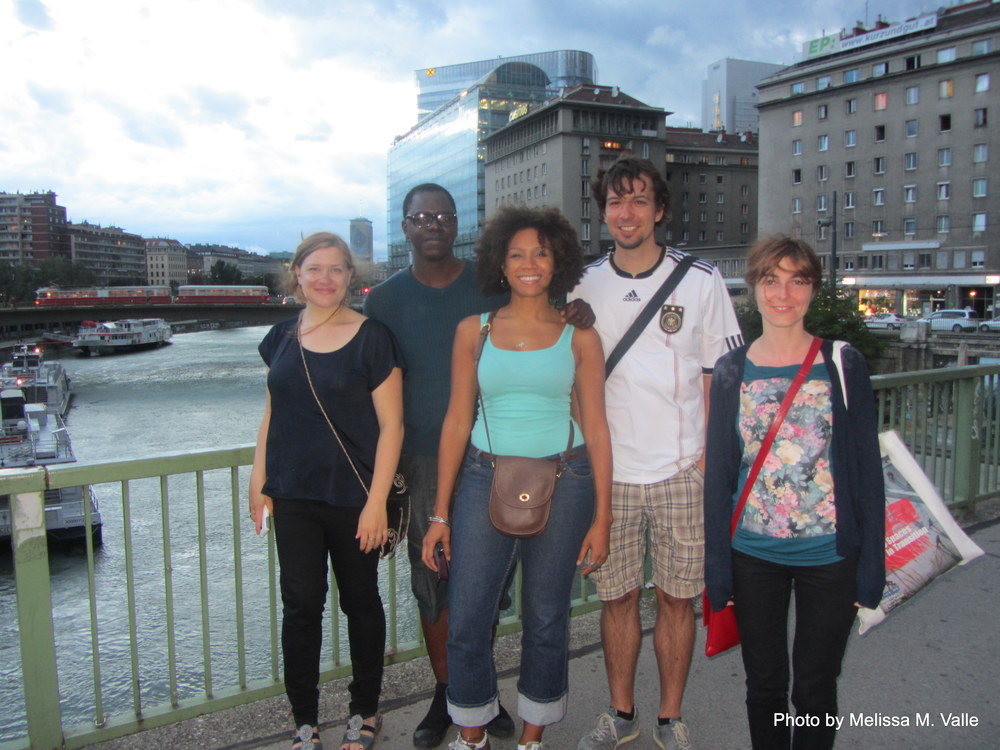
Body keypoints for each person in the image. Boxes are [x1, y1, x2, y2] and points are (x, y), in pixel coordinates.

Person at [363, 184, 592, 748]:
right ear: (405, 225)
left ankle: (505, 717)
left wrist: (571, 311)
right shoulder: (393, 301)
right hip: (441, 463)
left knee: (524, 606)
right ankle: (458, 709)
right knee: (448, 596)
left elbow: (590, 412)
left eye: (443, 215)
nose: (432, 224)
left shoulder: (530, 306)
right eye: (420, 216)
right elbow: (372, 378)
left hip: (535, 465)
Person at [422, 205, 613, 750]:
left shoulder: (580, 337)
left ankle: (532, 738)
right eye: (517, 254)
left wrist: (603, 516)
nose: (530, 263)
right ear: (499, 264)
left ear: (558, 263)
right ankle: (473, 734)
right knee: (467, 617)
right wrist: (440, 514)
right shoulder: (473, 331)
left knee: (547, 616)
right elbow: (457, 421)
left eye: (541, 253)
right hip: (484, 478)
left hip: (567, 477)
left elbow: (597, 429)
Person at [570, 155, 742, 750]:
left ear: (660, 210)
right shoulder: (582, 283)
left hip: (680, 471)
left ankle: (670, 718)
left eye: (640, 200)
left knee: (677, 599)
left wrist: (706, 462)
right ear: (603, 211)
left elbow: (719, 376)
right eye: (616, 201)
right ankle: (622, 713)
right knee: (615, 600)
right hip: (609, 476)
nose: (627, 213)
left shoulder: (701, 280)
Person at [703, 236, 885, 750]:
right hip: (753, 555)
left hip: (830, 555)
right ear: (754, 288)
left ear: (812, 289)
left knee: (815, 687)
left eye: (797, 280)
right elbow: (719, 477)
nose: (784, 293)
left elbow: (867, 473)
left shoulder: (841, 363)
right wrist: (718, 569)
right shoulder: (731, 370)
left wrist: (871, 566)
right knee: (764, 687)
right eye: (771, 280)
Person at [250, 232, 404, 750]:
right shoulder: (280, 338)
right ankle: (305, 721)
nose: (324, 278)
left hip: (354, 498)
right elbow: (274, 411)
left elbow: (393, 427)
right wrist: (259, 482)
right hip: (293, 496)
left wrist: (378, 501)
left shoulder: (372, 337)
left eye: (336, 269)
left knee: (360, 601)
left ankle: (364, 711)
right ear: (297, 274)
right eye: (314, 268)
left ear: (350, 278)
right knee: (300, 606)